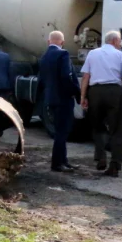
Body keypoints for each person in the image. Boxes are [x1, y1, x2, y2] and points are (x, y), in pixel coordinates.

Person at [79, 31, 122, 177]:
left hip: (95, 92)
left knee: (97, 126)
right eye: (120, 42)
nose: (121, 44)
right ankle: (115, 165)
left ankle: (101, 156)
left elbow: (86, 76)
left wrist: (83, 96)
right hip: (114, 92)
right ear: (115, 41)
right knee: (117, 129)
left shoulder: (92, 54)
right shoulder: (121, 55)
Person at [40, 30, 80, 172]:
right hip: (63, 99)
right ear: (62, 42)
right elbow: (66, 77)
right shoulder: (63, 54)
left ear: (49, 42)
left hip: (51, 99)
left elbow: (42, 80)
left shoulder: (44, 56)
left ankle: (64, 161)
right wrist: (74, 92)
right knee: (62, 132)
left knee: (59, 131)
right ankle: (57, 163)